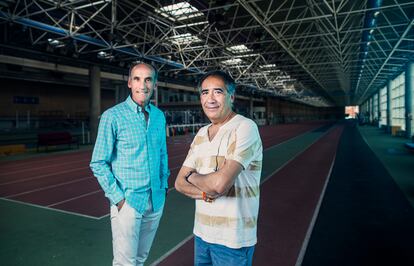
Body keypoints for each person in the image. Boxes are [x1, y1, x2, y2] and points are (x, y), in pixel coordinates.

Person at [175, 70, 263, 265]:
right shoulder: (200, 134)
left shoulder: (245, 127)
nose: (210, 99)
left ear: (231, 96)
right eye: (205, 93)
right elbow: (179, 184)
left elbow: (219, 185)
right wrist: (206, 191)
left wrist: (193, 176)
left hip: (233, 241)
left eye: (218, 92)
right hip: (201, 235)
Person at [90, 62, 169, 266]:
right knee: (125, 263)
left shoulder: (159, 117)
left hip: (156, 199)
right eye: (137, 79)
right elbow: (98, 162)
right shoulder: (112, 116)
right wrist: (119, 200)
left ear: (155, 84)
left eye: (148, 79)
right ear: (129, 83)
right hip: (129, 201)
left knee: (140, 259)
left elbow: (162, 153)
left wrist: (164, 184)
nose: (143, 85)